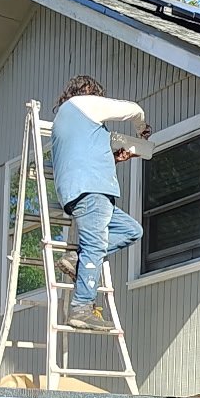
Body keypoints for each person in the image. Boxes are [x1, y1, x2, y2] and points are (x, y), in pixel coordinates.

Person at [50, 76, 151, 331]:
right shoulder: (85, 104)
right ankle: (81, 308)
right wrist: (141, 130)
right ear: (89, 93)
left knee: (131, 230)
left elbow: (81, 158)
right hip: (93, 191)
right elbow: (134, 110)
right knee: (95, 245)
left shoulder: (66, 121)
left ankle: (76, 259)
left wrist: (114, 158)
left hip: (79, 190)